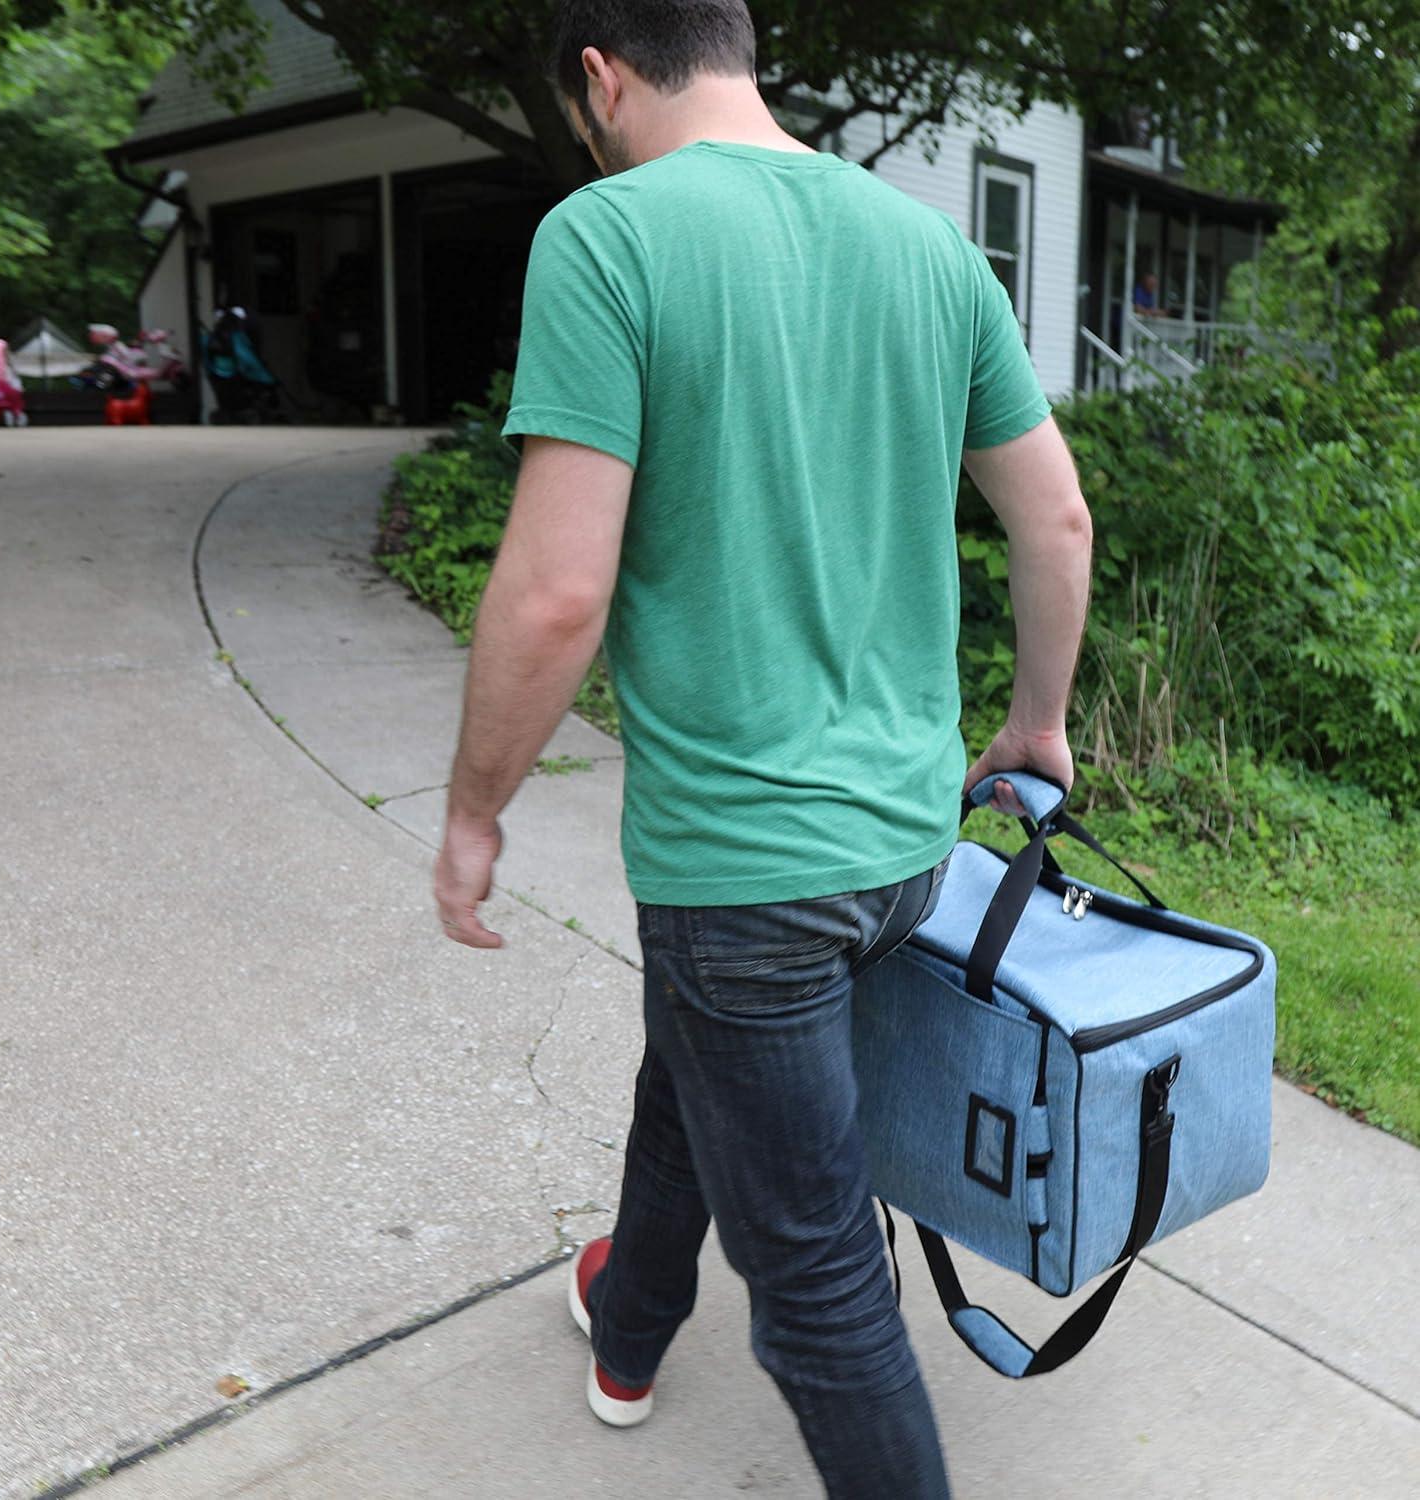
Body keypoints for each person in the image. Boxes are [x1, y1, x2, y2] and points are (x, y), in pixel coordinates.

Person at [434, 2, 1093, 1492]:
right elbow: (1054, 517)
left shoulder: (608, 238)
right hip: (906, 852)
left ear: (598, 75)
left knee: (816, 1294)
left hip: (746, 879)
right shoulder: (932, 248)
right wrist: (1036, 723)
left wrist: (477, 811)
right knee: (702, 1060)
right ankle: (629, 1320)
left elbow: (554, 592)